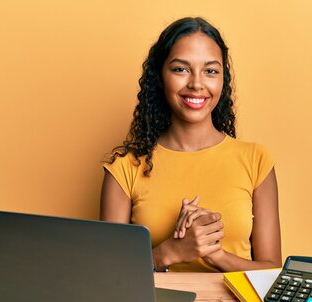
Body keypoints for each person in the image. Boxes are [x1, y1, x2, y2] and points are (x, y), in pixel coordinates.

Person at [100, 17, 282, 272]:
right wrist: (169, 252)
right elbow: (109, 274)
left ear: (223, 80)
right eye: (181, 69)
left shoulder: (257, 161)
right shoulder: (124, 169)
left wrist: (214, 254)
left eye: (210, 71)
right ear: (160, 78)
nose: (197, 83)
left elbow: (272, 272)